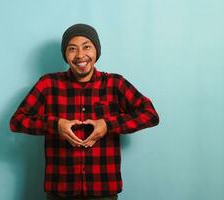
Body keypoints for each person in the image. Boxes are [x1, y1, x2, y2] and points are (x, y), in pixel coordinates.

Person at [9, 23, 159, 200]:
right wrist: (55, 124)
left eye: (86, 46)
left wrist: (108, 125)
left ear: (96, 50)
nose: (80, 55)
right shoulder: (48, 84)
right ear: (65, 54)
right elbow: (17, 121)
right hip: (60, 189)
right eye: (72, 49)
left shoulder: (114, 83)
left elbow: (150, 114)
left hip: (103, 189)